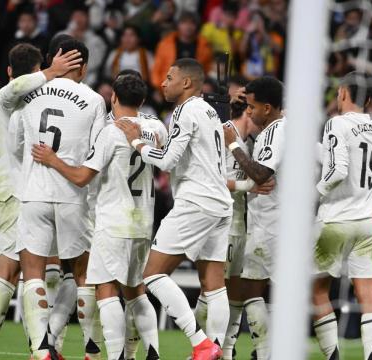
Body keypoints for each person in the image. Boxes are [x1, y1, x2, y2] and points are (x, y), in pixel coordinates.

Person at [0, 44, 82, 360]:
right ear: (35, 70)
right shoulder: (9, 97)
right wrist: (51, 72)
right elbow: (18, 88)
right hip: (12, 194)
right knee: (8, 274)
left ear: (10, 70)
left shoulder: (7, 101)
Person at [32, 73, 167, 360]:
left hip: (113, 221)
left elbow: (82, 177)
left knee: (106, 289)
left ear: (113, 98)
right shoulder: (156, 127)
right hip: (143, 221)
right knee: (136, 290)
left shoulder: (110, 131)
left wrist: (53, 160)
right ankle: (153, 352)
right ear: (142, 100)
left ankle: (116, 355)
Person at [116, 58, 231, 359]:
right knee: (214, 283)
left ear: (187, 83)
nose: (163, 82)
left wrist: (136, 142)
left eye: (169, 77)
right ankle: (218, 349)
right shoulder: (209, 110)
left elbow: (167, 161)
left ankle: (201, 344)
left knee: (152, 275)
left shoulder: (186, 110)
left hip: (196, 201)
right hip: (220, 203)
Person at [11, 38, 106, 360]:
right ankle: (86, 351)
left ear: (53, 59)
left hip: (33, 193)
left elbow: (15, 143)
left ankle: (41, 351)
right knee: (81, 274)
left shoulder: (28, 94)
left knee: (33, 272)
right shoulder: (94, 101)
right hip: (73, 195)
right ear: (85, 66)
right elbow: (97, 155)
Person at [312, 72, 372, 360]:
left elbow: (337, 170)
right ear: (367, 99)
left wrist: (314, 193)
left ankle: (333, 356)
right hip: (368, 219)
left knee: (317, 289)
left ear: (342, 93)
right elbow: (343, 161)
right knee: (367, 294)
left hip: (336, 220)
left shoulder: (336, 123)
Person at [222, 76, 284, 360]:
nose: (251, 112)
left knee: (247, 288)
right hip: (282, 221)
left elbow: (260, 175)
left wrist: (234, 145)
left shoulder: (274, 131)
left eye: (254, 106)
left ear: (268, 108)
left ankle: (264, 352)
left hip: (270, 223)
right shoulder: (289, 127)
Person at [151, 12, 213, 91]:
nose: (188, 27)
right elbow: (156, 70)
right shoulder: (165, 44)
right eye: (184, 23)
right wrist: (159, 89)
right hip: (168, 88)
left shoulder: (204, 45)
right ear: (178, 25)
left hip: (194, 90)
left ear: (197, 26)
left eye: (192, 23)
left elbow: (207, 70)